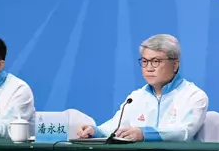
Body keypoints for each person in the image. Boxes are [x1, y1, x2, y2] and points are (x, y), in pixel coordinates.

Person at [76, 34, 208, 142]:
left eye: (156, 61)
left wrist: (144, 134)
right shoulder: (135, 97)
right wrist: (94, 131)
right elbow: (115, 126)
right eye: (145, 61)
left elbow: (184, 132)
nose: (149, 68)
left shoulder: (193, 95)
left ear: (175, 64)